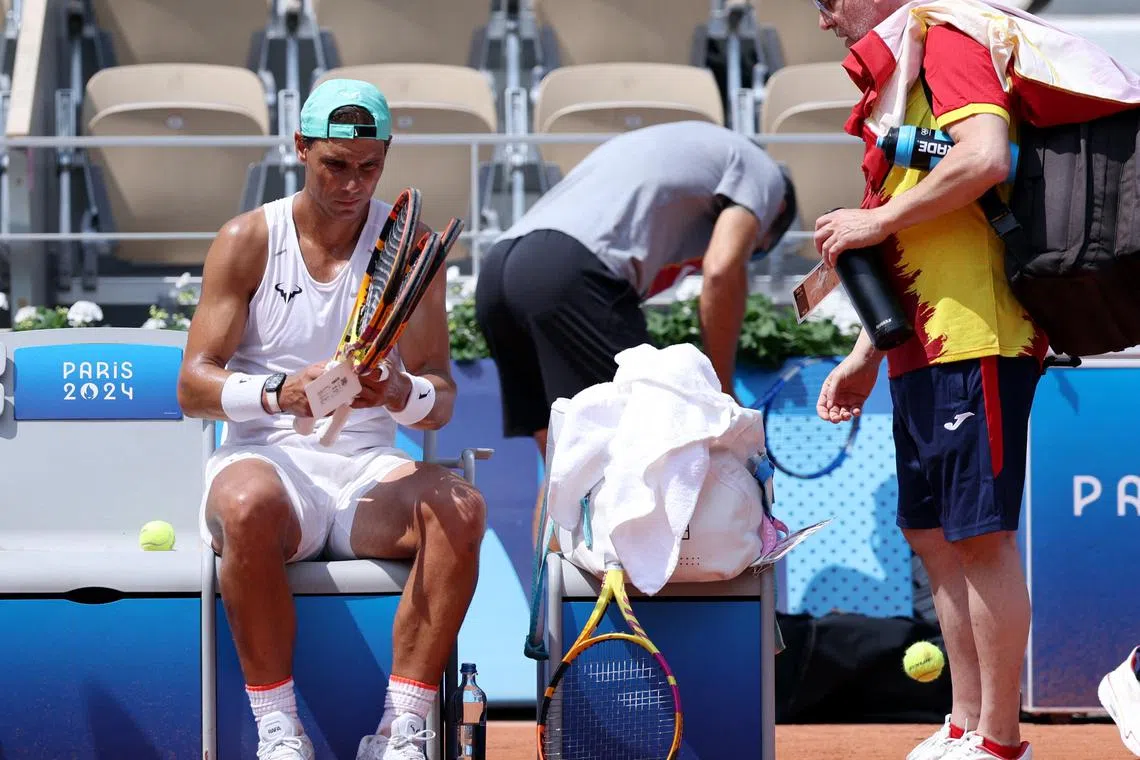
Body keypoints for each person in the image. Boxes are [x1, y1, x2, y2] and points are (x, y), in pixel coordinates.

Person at [177, 78, 486, 760]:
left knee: (461, 508)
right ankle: (279, 731)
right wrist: (278, 393)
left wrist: (398, 391)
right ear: (300, 149)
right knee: (245, 501)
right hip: (269, 466)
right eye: (335, 165)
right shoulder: (246, 240)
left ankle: (401, 731)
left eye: (370, 167)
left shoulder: (415, 248)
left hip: (367, 475)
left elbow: (441, 389)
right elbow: (193, 385)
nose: (353, 184)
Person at [810, 2, 1057, 759]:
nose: (824, 21)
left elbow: (985, 157)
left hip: (976, 331)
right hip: (921, 343)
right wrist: (866, 351)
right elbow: (906, 221)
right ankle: (964, 724)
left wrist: (874, 225)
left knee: (980, 538)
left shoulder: (946, 39)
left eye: (829, 0)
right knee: (934, 537)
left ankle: (1000, 742)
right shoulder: (897, 82)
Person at [474, 120, 797, 464]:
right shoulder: (765, 176)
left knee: (564, 468)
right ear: (775, 211)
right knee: (650, 457)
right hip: (567, 272)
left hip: (497, 273)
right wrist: (721, 393)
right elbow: (721, 270)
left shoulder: (679, 155)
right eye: (755, 249)